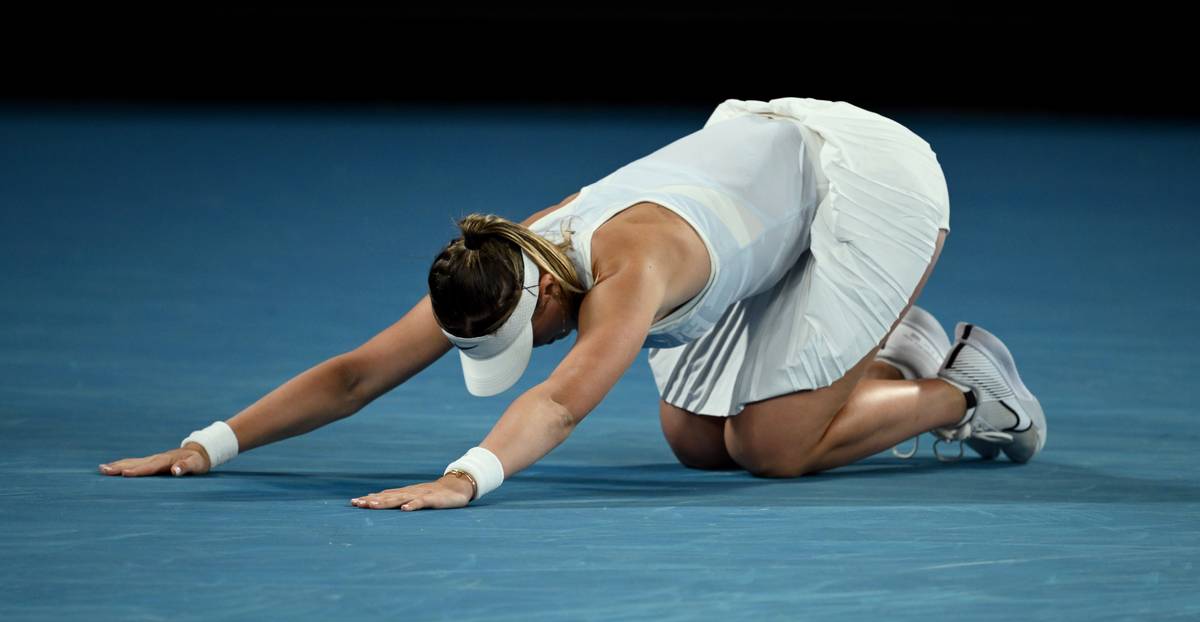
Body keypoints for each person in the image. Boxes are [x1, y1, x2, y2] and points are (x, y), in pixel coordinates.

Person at [98, 97, 1047, 511]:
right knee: (693, 441)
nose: (538, 347)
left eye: (535, 334)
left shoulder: (628, 274)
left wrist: (464, 477)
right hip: (771, 191)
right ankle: (884, 357)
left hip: (864, 183)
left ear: (549, 289)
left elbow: (558, 402)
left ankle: (965, 390)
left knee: (770, 447)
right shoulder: (500, 264)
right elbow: (356, 373)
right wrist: (208, 444)